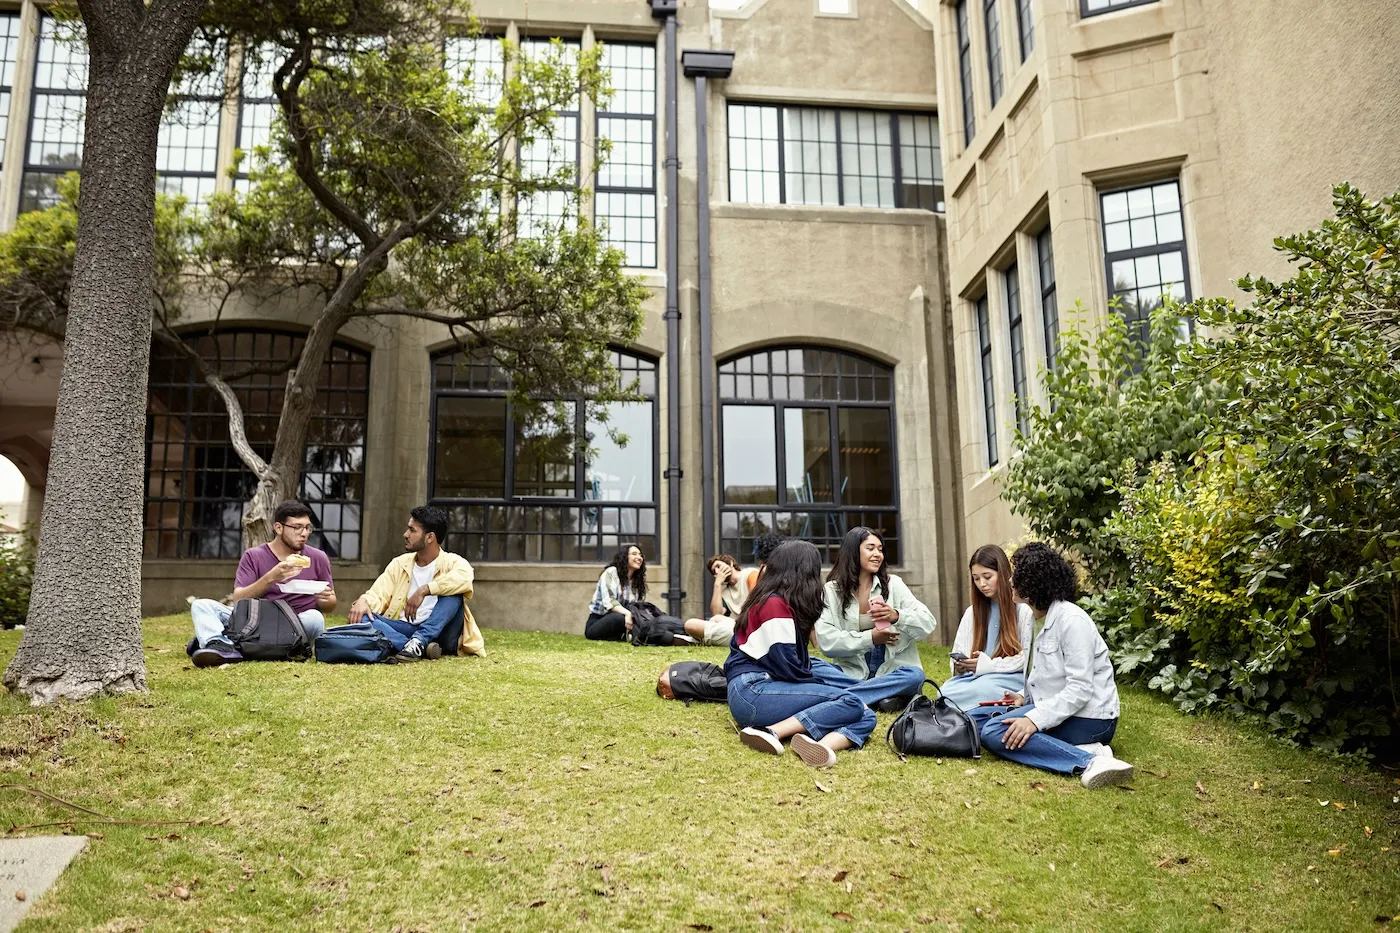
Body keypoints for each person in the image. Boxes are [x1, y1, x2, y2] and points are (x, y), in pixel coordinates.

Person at [973, 542, 1135, 789]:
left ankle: (1090, 762)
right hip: (1060, 711)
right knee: (976, 719)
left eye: (1018, 575)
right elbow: (1046, 677)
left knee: (995, 731)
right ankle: (1086, 750)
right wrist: (1023, 699)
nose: (1010, 581)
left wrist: (1034, 720)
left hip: (1091, 719)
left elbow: (1079, 690)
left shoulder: (1072, 620)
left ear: (1035, 581)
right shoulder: (1033, 618)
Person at [726, 540, 881, 768]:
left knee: (866, 714)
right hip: (753, 693)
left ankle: (822, 746)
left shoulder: (780, 602)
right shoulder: (773, 604)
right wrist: (832, 692)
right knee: (850, 701)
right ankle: (769, 731)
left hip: (764, 691)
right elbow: (789, 668)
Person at [189, 500, 335, 668]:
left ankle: (230, 644)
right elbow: (239, 600)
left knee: (315, 619)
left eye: (308, 527)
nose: (304, 533)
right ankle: (218, 645)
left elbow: (331, 604)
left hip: (294, 625)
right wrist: (270, 578)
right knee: (201, 606)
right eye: (297, 527)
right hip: (256, 621)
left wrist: (325, 599)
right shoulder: (253, 556)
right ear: (278, 528)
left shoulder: (318, 558)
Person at [814, 526, 935, 712]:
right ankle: (883, 696)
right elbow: (827, 641)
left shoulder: (894, 584)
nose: (878, 554)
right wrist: (871, 637)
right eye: (870, 548)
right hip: (852, 670)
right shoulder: (831, 591)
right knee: (813, 667)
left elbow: (928, 622)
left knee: (915, 675)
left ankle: (846, 697)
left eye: (880, 549)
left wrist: (897, 616)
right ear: (853, 551)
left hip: (892, 669)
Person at [346, 506, 486, 661]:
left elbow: (464, 579)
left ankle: (419, 641)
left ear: (430, 537)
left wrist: (425, 590)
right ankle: (413, 646)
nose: (405, 535)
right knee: (364, 617)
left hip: (443, 633)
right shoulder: (399, 564)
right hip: (405, 628)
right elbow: (379, 593)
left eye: (412, 530)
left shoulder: (453, 562)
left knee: (454, 595)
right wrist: (364, 601)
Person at [939, 545, 1034, 709]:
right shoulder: (972, 613)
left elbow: (1028, 657)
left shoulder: (1023, 609)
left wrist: (988, 666)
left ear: (1003, 574)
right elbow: (959, 651)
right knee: (945, 691)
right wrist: (962, 665)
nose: (982, 584)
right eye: (976, 579)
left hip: (1010, 676)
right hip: (976, 678)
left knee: (983, 689)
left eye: (987, 576)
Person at [682, 554, 750, 646]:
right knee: (692, 624)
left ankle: (702, 640)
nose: (717, 572)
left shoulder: (749, 574)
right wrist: (717, 584)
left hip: (751, 626)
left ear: (730, 563)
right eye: (714, 571)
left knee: (693, 626)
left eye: (718, 566)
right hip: (736, 627)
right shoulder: (725, 592)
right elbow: (717, 613)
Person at [585, 544, 648, 641]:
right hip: (598, 621)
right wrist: (627, 614)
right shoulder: (611, 573)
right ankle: (623, 635)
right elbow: (609, 602)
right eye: (634, 554)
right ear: (624, 557)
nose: (639, 558)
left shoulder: (636, 581)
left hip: (626, 619)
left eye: (640, 555)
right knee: (618, 618)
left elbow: (636, 606)